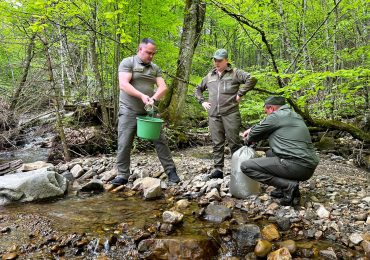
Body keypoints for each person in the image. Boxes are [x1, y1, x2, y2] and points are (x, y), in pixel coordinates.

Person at [111, 38, 180, 186]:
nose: (151, 56)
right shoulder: (128, 62)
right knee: (124, 142)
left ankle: (171, 172)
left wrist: (153, 99)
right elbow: (123, 84)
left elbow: (163, 87)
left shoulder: (155, 68)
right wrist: (141, 95)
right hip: (128, 110)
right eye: (148, 52)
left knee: (161, 140)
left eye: (153, 53)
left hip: (148, 111)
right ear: (139, 49)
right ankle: (122, 174)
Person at [241, 96, 319, 206]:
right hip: (308, 166)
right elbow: (266, 126)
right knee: (270, 153)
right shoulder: (294, 115)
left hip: (296, 165)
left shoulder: (276, 116)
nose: (266, 115)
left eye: (266, 112)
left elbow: (254, 135)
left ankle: (288, 186)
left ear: (271, 108)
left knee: (246, 166)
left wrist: (248, 139)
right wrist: (253, 129)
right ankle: (284, 189)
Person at [195, 49, 257, 179]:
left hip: (230, 113)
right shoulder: (210, 76)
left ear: (226, 60)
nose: (217, 63)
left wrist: (240, 93)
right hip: (213, 115)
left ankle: (239, 169)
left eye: (220, 60)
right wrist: (202, 102)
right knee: (217, 143)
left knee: (234, 141)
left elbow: (252, 79)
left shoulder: (235, 73)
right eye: (215, 60)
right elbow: (198, 89)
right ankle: (218, 169)